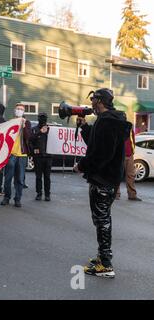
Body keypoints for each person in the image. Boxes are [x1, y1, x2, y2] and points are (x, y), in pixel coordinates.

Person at [74, 88, 131, 278]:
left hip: (103, 178)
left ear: (99, 101)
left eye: (93, 100)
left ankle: (105, 264)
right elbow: (96, 143)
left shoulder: (107, 122)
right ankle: (102, 257)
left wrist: (82, 166)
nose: (91, 103)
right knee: (101, 219)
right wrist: (84, 127)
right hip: (108, 178)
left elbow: (101, 153)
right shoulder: (109, 121)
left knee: (103, 220)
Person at [1, 103, 31, 208]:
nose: (19, 110)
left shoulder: (27, 123)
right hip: (11, 154)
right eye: (17, 108)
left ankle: (17, 199)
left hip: (22, 155)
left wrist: (23, 127)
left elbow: (28, 137)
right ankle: (6, 197)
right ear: (14, 110)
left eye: (21, 109)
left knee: (19, 179)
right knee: (8, 177)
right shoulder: (10, 122)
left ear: (24, 112)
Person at [29, 112, 52, 201]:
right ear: (38, 118)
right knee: (38, 176)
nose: (42, 119)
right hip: (38, 157)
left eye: (44, 118)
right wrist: (40, 132)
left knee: (47, 177)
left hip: (48, 156)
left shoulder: (50, 129)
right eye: (41, 117)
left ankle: (47, 194)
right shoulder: (34, 129)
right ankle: (39, 193)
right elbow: (30, 140)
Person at [116, 128, 142, 201]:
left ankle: (132, 195)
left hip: (129, 155)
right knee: (118, 175)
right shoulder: (118, 127)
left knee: (131, 175)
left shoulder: (130, 128)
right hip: (120, 155)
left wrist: (132, 151)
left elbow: (132, 140)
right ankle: (116, 194)